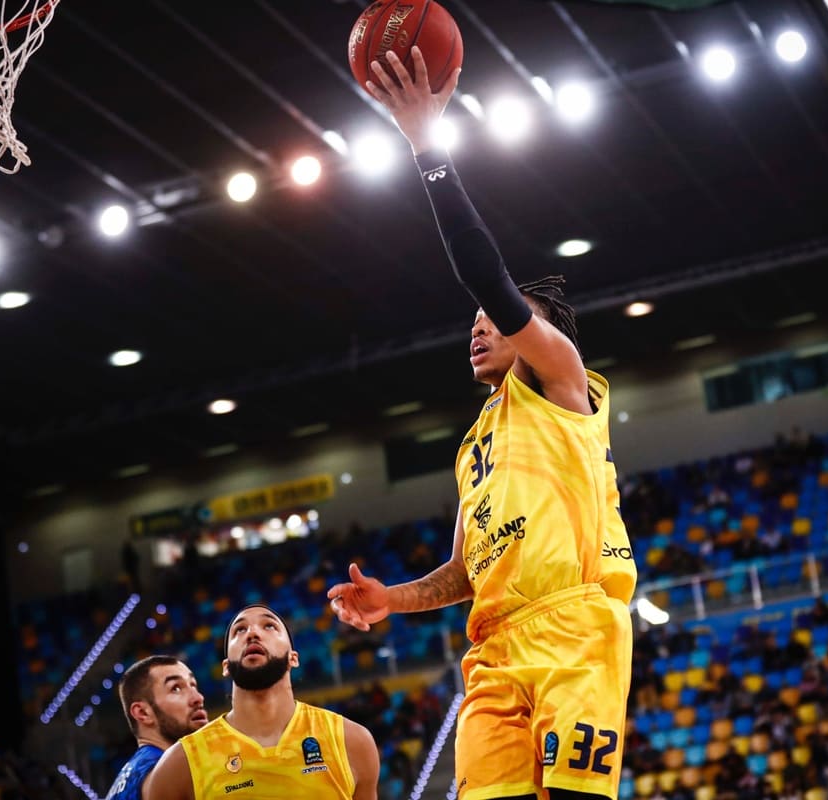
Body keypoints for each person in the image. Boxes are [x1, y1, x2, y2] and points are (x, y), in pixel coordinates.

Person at [327, 46, 637, 800]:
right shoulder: (474, 448)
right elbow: (467, 572)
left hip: (574, 632)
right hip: (493, 650)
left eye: (493, 325)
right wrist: (392, 599)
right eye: (473, 325)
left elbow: (483, 273)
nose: (478, 331)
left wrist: (424, 143)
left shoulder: (563, 384)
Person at [143, 604, 379, 800]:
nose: (252, 633)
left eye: (269, 626)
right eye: (240, 630)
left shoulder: (351, 742)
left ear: (293, 658)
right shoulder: (180, 764)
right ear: (225, 666)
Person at [105, 656, 208, 800]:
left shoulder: (136, 774)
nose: (198, 698)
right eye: (176, 688)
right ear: (143, 713)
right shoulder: (171, 774)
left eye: (193, 685)